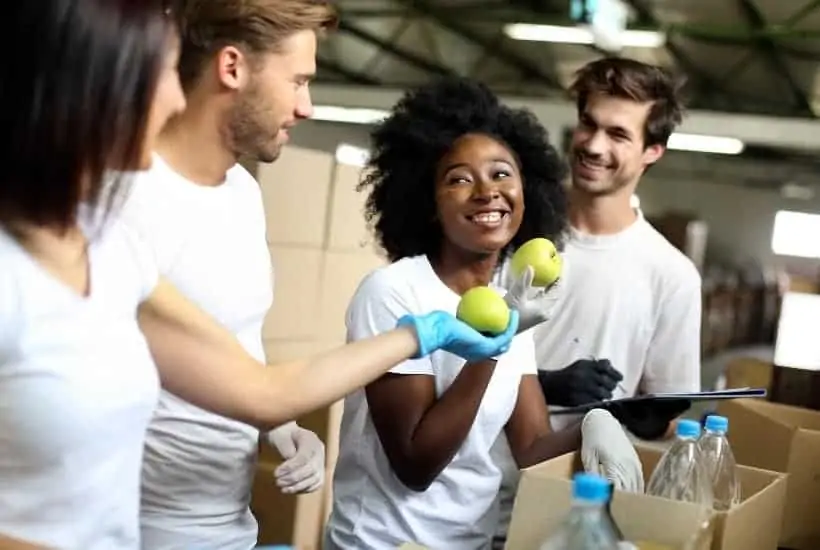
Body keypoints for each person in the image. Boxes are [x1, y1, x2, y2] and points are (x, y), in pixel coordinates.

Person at [0, 2, 517, 549]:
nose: (177, 97)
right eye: (158, 76)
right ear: (85, 92)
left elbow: (262, 391)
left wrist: (421, 334)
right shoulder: (43, 257)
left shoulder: (111, 252)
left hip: (219, 529)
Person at [323, 77, 643, 550]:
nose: (486, 191)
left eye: (501, 174)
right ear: (429, 204)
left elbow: (531, 447)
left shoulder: (513, 298)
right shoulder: (394, 293)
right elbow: (415, 463)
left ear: (525, 190)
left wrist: (593, 425)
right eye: (458, 178)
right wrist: (498, 338)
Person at [116, 2, 333, 548]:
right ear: (232, 67)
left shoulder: (244, 195)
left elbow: (239, 353)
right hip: (141, 530)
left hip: (232, 526)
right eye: (298, 81)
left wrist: (281, 426)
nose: (306, 107)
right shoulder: (127, 196)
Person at [493, 56, 702, 543]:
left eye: (618, 134)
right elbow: (451, 358)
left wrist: (642, 422)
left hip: (571, 513)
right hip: (465, 490)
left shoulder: (670, 275)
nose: (593, 144)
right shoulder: (509, 229)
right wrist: (544, 383)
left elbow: (670, 425)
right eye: (588, 124)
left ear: (653, 150)